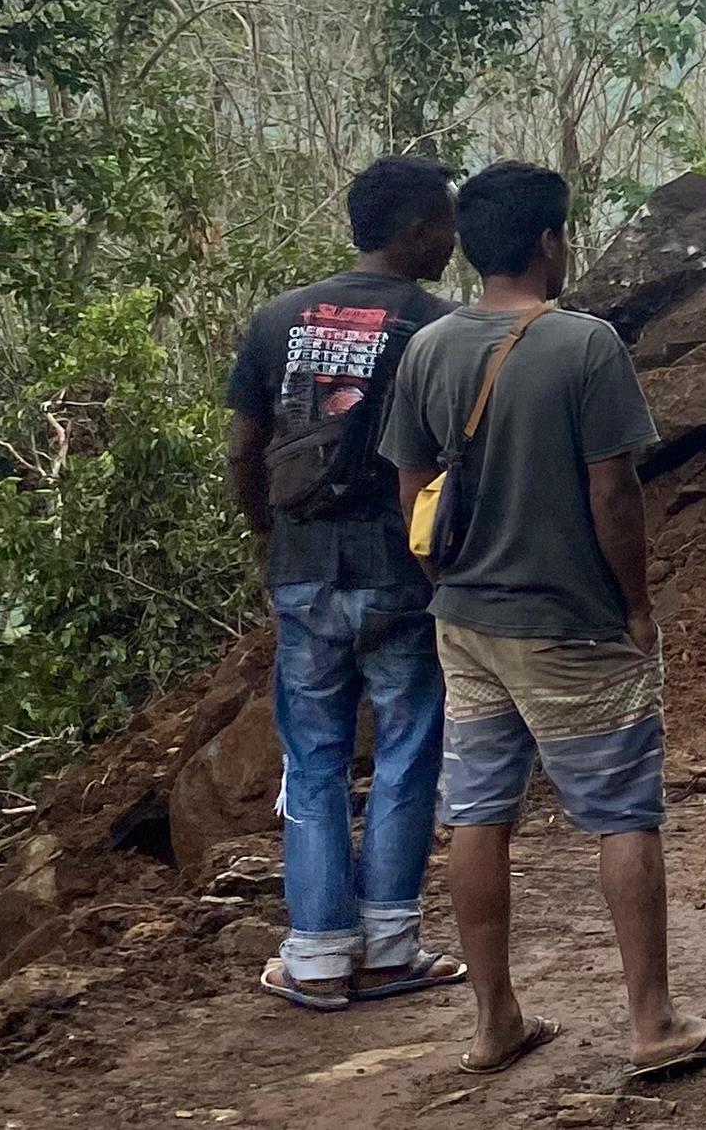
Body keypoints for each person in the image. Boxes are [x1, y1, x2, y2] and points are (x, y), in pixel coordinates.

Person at [378, 161, 706, 1086]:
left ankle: (494, 1019)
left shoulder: (428, 347)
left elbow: (411, 487)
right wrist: (636, 605)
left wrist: (443, 575)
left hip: (464, 621)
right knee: (622, 812)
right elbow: (613, 492)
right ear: (550, 243)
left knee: (477, 811)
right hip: (570, 626)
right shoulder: (585, 346)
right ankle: (653, 1021)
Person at [226, 155, 466, 1012]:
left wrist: (269, 536)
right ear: (413, 230)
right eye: (443, 222)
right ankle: (390, 947)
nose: (452, 238)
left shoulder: (276, 321)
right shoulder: (440, 329)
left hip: (302, 570)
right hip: (400, 571)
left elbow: (242, 450)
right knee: (406, 753)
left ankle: (319, 956)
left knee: (315, 760)